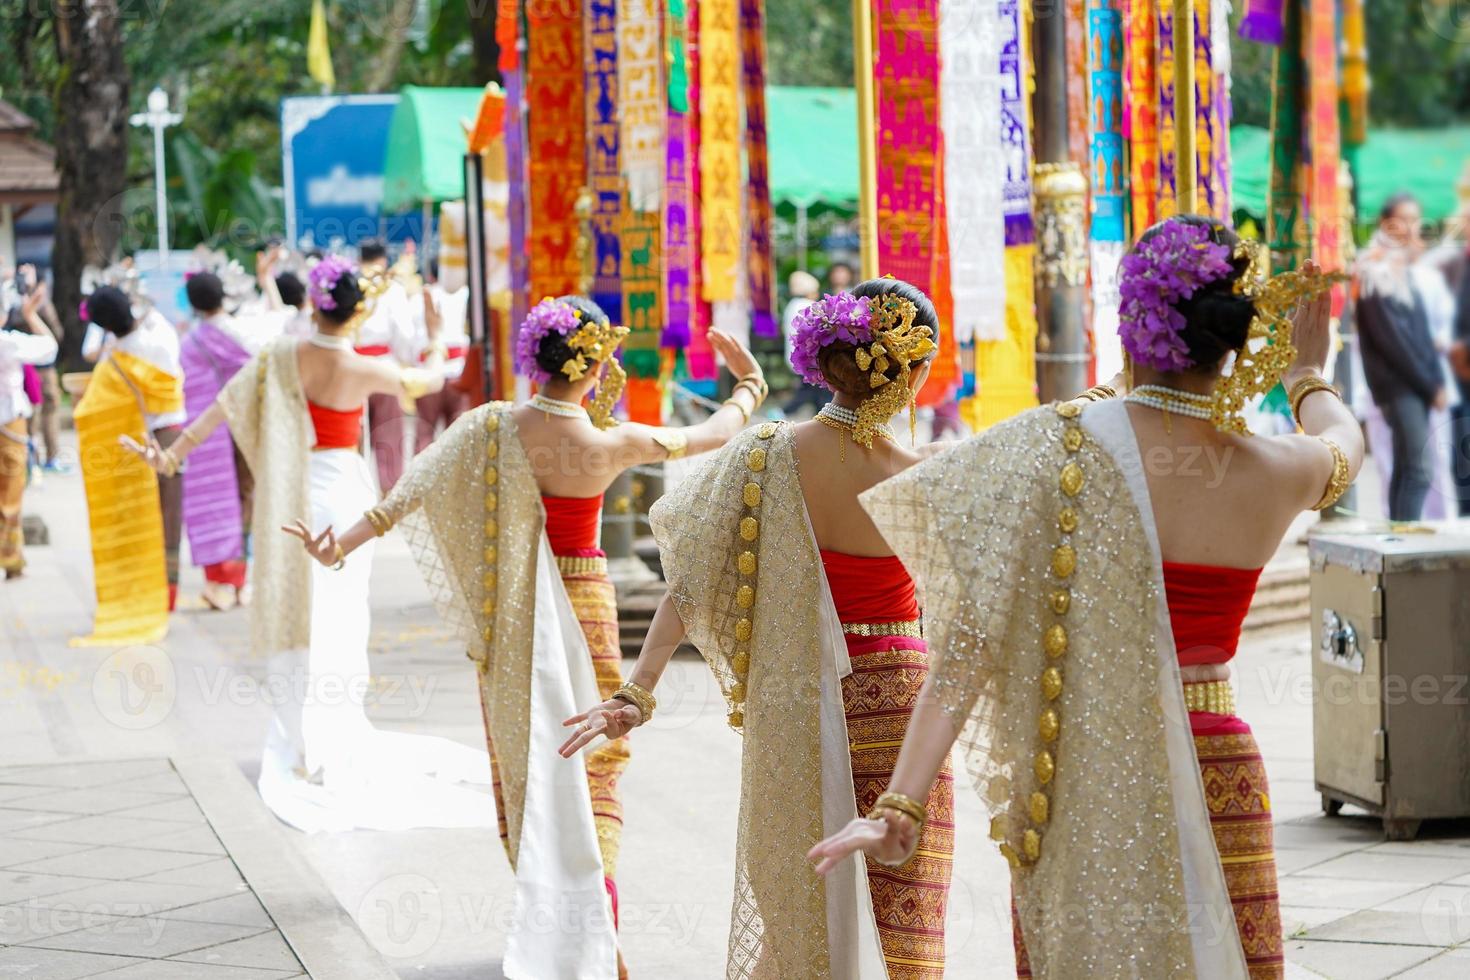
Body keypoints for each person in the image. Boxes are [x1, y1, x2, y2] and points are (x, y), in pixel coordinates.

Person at [808, 216, 1358, 979]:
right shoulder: (1280, 467)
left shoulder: (1045, 450)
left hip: (1084, 772)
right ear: (1235, 338)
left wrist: (899, 805)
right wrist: (1306, 374)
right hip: (1215, 759)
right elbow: (1345, 444)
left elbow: (968, 647)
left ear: (1129, 326)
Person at [285, 294, 764, 979]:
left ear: (533, 359)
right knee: (596, 762)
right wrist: (749, 384)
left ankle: (559, 923)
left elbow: (404, 496)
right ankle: (597, 927)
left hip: (513, 621)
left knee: (527, 762)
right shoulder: (608, 442)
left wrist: (338, 547)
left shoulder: (489, 427)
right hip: (587, 607)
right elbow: (714, 433)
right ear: (596, 364)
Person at [562, 279, 956, 979]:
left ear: (827, 359)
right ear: (917, 372)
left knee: (803, 922)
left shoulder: (764, 456)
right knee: (905, 937)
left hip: (799, 711)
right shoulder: (925, 476)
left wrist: (637, 694)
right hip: (903, 713)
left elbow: (691, 583)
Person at [124, 256, 494, 834]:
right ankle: (334, 732)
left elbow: (222, 407)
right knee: (343, 616)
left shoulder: (280, 359)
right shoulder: (360, 365)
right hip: (342, 496)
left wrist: (171, 456)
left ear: (317, 304)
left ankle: (300, 738)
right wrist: (438, 329)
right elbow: (429, 379)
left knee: (301, 614)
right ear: (358, 310)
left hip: (291, 497)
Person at [73, 286, 185, 644]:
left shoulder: (112, 362)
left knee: (141, 519)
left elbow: (89, 413)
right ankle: (167, 593)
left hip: (133, 447)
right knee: (169, 518)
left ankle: (141, 588)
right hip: (170, 438)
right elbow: (158, 322)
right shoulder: (162, 341)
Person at [1356, 193, 1445, 521]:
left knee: (1409, 467)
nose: (1410, 228)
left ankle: (1399, 536)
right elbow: (1393, 339)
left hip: (1412, 382)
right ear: (1385, 223)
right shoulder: (1376, 266)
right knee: (1418, 470)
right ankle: (1403, 543)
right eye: (1403, 219)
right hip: (1398, 383)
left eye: (1414, 220)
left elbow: (1419, 330)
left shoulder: (1400, 264)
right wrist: (1429, 385)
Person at [180, 272, 259, 611]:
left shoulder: (190, 342)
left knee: (214, 503)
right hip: (245, 428)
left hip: (209, 433)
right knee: (246, 501)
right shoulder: (244, 332)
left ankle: (218, 583)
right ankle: (243, 582)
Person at [0, 284, 59, 576]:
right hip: (10, 424)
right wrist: (31, 315)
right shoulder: (8, 343)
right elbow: (50, 347)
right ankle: (10, 559)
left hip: (12, 424)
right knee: (10, 495)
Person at [354, 238, 419, 492]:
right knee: (388, 433)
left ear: (360, 258)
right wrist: (406, 361)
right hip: (384, 367)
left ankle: (356, 492)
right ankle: (389, 492)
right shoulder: (391, 288)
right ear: (383, 259)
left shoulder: (350, 284)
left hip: (353, 367)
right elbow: (403, 333)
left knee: (353, 434)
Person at [411, 258, 471, 453]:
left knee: (424, 433)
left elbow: (407, 338)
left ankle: (420, 481)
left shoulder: (418, 298)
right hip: (458, 371)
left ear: (431, 275)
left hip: (428, 372)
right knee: (458, 436)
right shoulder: (466, 295)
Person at [778, 270, 825, 418]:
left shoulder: (791, 305)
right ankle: (783, 412)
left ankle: (821, 416)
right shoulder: (809, 305)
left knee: (814, 390)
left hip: (795, 356)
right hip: (809, 357)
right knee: (811, 389)